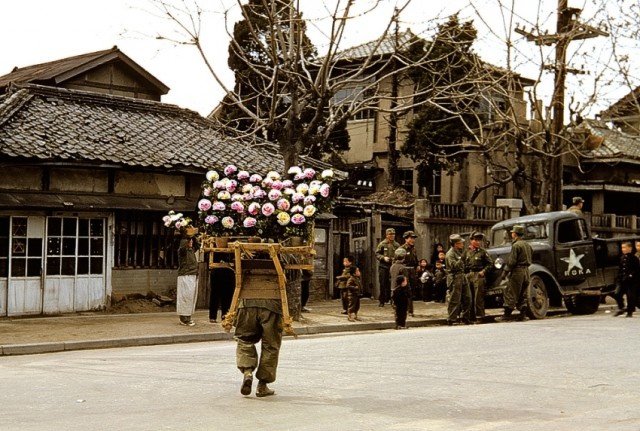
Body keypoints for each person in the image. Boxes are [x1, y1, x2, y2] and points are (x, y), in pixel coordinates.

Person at [235, 296, 283, 397]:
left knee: (245, 340)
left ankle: (247, 372)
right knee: (270, 345)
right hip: (271, 306)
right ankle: (262, 385)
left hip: (247, 305)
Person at [497, 225, 533, 322]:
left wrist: (505, 272)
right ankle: (523, 314)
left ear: (515, 234)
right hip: (526, 271)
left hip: (518, 272)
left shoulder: (516, 245)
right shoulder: (527, 245)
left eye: (512, 232)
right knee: (523, 293)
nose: (511, 234)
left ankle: (507, 315)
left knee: (511, 292)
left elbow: (512, 261)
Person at [464, 232, 493, 323]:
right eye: (475, 240)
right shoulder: (467, 252)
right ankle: (470, 316)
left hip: (478, 275)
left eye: (479, 240)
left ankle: (479, 316)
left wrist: (484, 271)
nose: (477, 242)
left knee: (478, 297)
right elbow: (462, 263)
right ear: (471, 240)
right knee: (469, 297)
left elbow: (490, 263)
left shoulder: (483, 252)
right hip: (469, 275)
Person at [445, 234, 472, 325]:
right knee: (454, 299)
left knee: (467, 297)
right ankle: (451, 318)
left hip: (462, 276)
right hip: (454, 277)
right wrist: (462, 258)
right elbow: (454, 266)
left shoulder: (459, 252)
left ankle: (465, 317)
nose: (462, 244)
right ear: (455, 244)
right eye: (460, 243)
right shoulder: (450, 254)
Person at [375, 228, 400, 307]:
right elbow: (377, 254)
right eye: (390, 234)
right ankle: (382, 300)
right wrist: (383, 258)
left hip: (393, 266)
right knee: (383, 283)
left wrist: (395, 259)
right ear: (387, 235)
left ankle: (392, 300)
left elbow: (400, 254)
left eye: (393, 234)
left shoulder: (397, 245)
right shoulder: (382, 244)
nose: (392, 236)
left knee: (393, 284)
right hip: (384, 266)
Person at [177, 235, 199, 326]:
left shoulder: (192, 250)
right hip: (185, 275)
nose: (191, 242)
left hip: (193, 275)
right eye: (189, 241)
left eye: (191, 241)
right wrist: (185, 234)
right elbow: (182, 246)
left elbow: (197, 245)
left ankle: (188, 317)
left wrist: (193, 236)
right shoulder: (183, 251)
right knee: (184, 297)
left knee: (190, 298)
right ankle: (183, 318)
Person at [613, 241, 640, 318]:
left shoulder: (634, 258)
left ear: (630, 248)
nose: (623, 249)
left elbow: (636, 270)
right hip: (622, 280)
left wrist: (631, 275)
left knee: (630, 296)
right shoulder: (622, 258)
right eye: (622, 248)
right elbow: (620, 269)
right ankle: (621, 307)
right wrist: (618, 278)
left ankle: (629, 312)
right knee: (617, 293)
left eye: (625, 247)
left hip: (631, 281)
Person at [209, 253, 235, 323]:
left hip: (228, 271)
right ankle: (213, 316)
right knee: (215, 295)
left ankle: (225, 316)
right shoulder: (214, 247)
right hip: (217, 271)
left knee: (227, 296)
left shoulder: (232, 246)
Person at [400, 231, 419, 315]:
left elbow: (415, 259)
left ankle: (409, 309)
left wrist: (417, 265)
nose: (412, 240)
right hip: (405, 269)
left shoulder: (413, 249)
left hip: (412, 270)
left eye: (413, 238)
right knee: (407, 289)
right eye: (411, 238)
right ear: (406, 239)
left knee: (412, 290)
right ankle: (408, 310)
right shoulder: (401, 249)